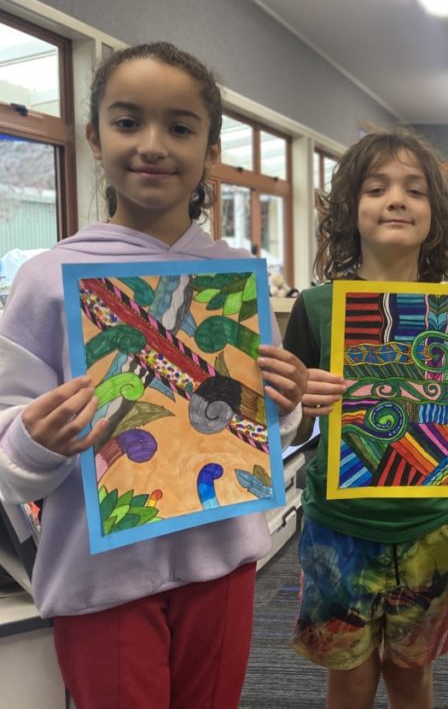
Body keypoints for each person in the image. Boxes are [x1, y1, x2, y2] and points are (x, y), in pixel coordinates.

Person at [0, 42, 307, 708]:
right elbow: (9, 454)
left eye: (180, 127)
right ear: (93, 137)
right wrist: (34, 439)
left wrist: (285, 403)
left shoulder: (231, 278)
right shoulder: (48, 280)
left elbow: (260, 426)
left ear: (210, 149)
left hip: (221, 562)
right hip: (101, 576)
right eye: (128, 121)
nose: (152, 145)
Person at [284, 130, 448, 709]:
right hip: (339, 525)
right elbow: (290, 429)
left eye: (415, 190)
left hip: (430, 526)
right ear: (349, 210)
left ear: (435, 215)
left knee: (412, 672)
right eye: (376, 188)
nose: (396, 200)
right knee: (349, 675)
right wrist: (298, 401)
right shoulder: (316, 307)